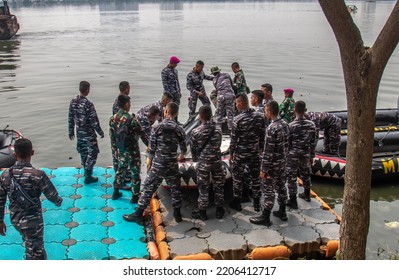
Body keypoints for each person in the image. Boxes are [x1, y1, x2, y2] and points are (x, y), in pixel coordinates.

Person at [123, 102, 187, 224]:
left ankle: (138, 213)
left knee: (149, 186)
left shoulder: (157, 128)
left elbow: (151, 148)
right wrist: (180, 156)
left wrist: (150, 164)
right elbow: (183, 147)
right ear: (176, 113)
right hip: (172, 163)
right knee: (175, 188)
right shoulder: (179, 129)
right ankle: (177, 213)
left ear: (166, 112)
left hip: (159, 163)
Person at [0, 138, 63, 260]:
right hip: (33, 222)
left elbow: (1, 199)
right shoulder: (37, 174)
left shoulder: (6, 175)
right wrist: (58, 201)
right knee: (35, 253)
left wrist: (0, 221)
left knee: (32, 244)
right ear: (32, 153)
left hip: (16, 220)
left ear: (14, 154)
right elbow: (52, 195)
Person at [249, 101, 289, 226]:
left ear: (270, 112)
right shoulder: (285, 124)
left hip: (272, 165)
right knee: (281, 186)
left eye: (266, 111)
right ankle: (282, 211)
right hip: (282, 162)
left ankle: (265, 216)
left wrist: (263, 169)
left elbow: (268, 151)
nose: (265, 113)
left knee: (268, 190)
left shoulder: (272, 128)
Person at [229, 94, 265, 212]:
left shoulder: (237, 119)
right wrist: (260, 148)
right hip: (254, 152)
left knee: (237, 177)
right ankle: (256, 203)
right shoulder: (260, 117)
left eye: (236, 103)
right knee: (255, 177)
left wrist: (231, 153)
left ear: (241, 103)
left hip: (241, 152)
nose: (235, 105)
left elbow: (234, 139)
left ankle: (237, 202)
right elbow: (262, 135)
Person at [109, 95, 148, 202]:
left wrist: (115, 151)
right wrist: (151, 147)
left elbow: (112, 137)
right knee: (135, 172)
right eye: (129, 104)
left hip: (121, 150)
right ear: (126, 104)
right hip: (133, 151)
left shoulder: (113, 119)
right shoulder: (132, 120)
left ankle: (115, 192)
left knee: (120, 170)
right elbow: (143, 135)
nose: (130, 106)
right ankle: (135, 196)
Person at [190, 105, 225, 220]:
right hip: (216, 161)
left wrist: (196, 160)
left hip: (203, 162)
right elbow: (218, 145)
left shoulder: (195, 131)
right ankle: (219, 210)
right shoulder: (218, 130)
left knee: (203, 187)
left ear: (200, 116)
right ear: (211, 115)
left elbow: (193, 149)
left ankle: (202, 212)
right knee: (218, 186)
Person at [68, 81, 105, 184]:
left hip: (79, 133)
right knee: (93, 152)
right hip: (88, 133)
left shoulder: (73, 101)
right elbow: (94, 120)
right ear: (88, 90)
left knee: (83, 152)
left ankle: (86, 171)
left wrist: (71, 131)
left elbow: (70, 117)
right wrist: (100, 132)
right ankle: (88, 175)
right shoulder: (88, 104)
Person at [286, 101, 317, 209]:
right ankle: (307, 194)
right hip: (305, 153)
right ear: (305, 110)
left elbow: (287, 142)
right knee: (306, 173)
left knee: (291, 177)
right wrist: (312, 156)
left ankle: (293, 200)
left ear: (294, 110)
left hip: (293, 154)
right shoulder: (311, 125)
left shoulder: (291, 126)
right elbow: (313, 142)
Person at [111, 81, 131, 182]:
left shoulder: (120, 100)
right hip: (120, 134)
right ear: (126, 88)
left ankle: (124, 174)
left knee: (120, 155)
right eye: (129, 87)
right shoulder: (120, 102)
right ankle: (120, 177)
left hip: (118, 133)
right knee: (120, 155)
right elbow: (118, 120)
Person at [210, 66, 236, 132]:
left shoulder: (214, 80)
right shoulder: (227, 75)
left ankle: (218, 130)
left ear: (213, 73)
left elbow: (217, 88)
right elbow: (232, 84)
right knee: (230, 114)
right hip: (230, 95)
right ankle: (231, 130)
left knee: (219, 114)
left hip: (220, 97)